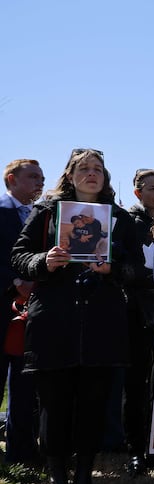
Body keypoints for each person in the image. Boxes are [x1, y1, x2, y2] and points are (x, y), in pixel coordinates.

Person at [11, 148, 145, 484]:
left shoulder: (120, 218)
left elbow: (137, 271)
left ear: (105, 176)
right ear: (70, 176)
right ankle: (57, 477)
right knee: (54, 404)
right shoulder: (46, 213)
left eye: (98, 168)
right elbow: (19, 257)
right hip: (55, 320)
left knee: (94, 403)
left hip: (102, 322)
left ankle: (85, 474)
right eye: (83, 168)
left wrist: (112, 268)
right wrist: (46, 261)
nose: (91, 173)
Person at [0, 159, 44, 466]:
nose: (40, 183)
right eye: (32, 177)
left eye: (42, 178)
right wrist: (15, 283)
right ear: (11, 179)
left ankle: (21, 452)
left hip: (29, 315)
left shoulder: (38, 216)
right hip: (4, 308)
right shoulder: (2, 212)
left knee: (25, 385)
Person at [124, 168, 154, 475]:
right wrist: (153, 278)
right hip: (137, 312)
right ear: (138, 192)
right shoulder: (128, 223)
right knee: (137, 385)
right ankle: (136, 449)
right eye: (151, 188)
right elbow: (123, 266)